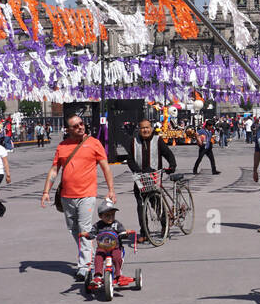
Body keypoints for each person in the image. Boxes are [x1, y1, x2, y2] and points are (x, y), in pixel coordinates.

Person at [40, 116, 117, 282]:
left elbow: (105, 168)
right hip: (67, 196)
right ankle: (89, 253)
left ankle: (84, 267)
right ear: (68, 129)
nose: (80, 127)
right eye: (75, 126)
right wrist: (46, 191)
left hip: (87, 194)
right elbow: (54, 170)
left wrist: (111, 189)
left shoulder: (94, 143)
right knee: (73, 229)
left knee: (84, 229)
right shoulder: (62, 146)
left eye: (81, 124)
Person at [123, 120, 177, 238]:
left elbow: (168, 153)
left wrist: (172, 165)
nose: (145, 130)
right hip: (140, 179)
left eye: (147, 127)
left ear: (151, 128)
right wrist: (137, 170)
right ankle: (144, 232)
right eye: (143, 128)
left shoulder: (157, 140)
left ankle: (164, 225)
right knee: (141, 207)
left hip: (154, 178)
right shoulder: (133, 141)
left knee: (157, 204)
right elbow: (130, 159)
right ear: (139, 129)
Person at [82, 200, 136, 290]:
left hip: (115, 247)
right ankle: (98, 276)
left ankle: (118, 275)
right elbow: (92, 234)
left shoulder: (117, 224)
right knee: (98, 258)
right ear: (100, 216)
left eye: (112, 215)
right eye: (107, 215)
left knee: (116, 257)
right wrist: (87, 235)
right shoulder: (97, 225)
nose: (110, 217)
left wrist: (126, 233)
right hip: (102, 247)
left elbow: (122, 232)